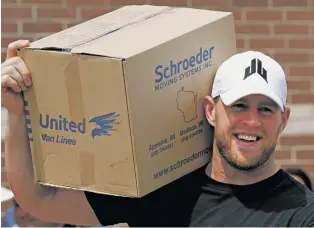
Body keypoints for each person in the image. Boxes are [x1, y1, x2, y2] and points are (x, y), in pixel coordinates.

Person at [2, 40, 314, 227]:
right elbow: (38, 200)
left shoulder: (302, 214)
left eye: (266, 109)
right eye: (239, 105)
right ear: (210, 111)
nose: (252, 121)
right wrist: (16, 111)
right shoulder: (162, 190)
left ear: (283, 119)